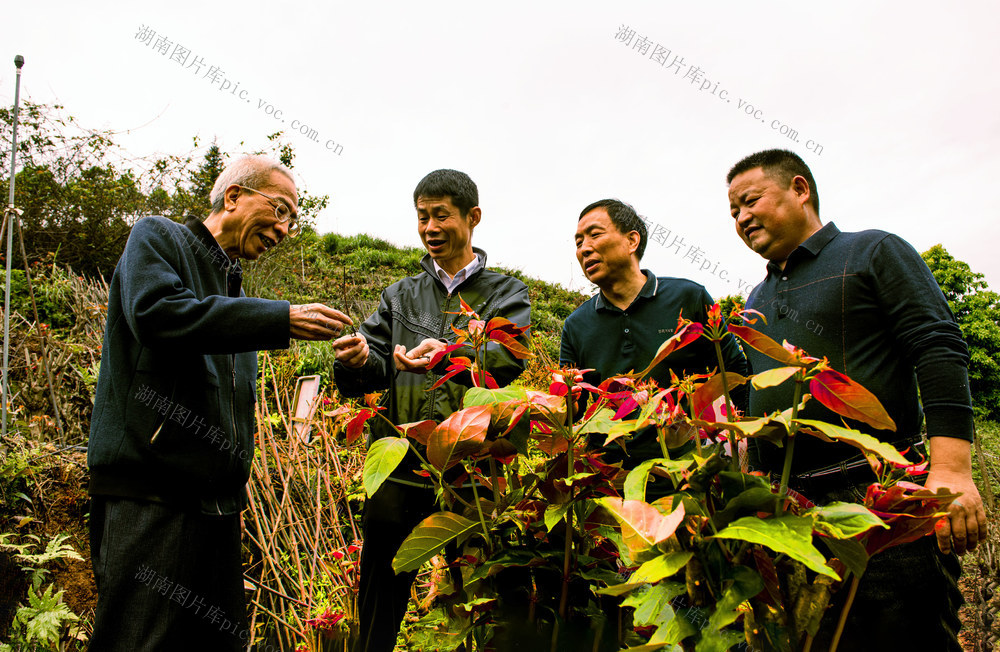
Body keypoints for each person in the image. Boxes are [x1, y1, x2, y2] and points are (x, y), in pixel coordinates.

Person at [87, 155, 354, 650]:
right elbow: (157, 313)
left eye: (293, 220)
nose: (285, 227)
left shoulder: (232, 284)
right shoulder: (158, 238)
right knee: (138, 640)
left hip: (216, 505)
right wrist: (279, 318)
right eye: (279, 210)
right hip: (152, 493)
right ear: (233, 196)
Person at [726, 148, 987, 650]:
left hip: (881, 500)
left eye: (751, 200)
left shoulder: (873, 252)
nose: (741, 217)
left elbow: (937, 346)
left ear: (800, 190)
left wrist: (950, 471)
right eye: (733, 211)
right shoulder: (754, 301)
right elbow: (758, 407)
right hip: (794, 515)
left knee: (905, 635)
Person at [333, 169, 531, 652]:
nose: (430, 227)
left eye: (441, 215)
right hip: (402, 465)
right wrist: (358, 359)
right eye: (422, 217)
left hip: (473, 464)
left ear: (472, 217)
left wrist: (444, 353)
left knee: (490, 589)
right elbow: (373, 365)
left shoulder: (506, 293)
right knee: (381, 586)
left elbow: (507, 362)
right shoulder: (399, 295)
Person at [560, 198, 747, 467]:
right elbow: (573, 413)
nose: (584, 249)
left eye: (594, 235)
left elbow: (735, 372)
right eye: (578, 243)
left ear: (632, 241)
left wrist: (734, 447)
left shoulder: (689, 297)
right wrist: (564, 401)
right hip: (611, 478)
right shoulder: (576, 324)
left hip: (690, 469)